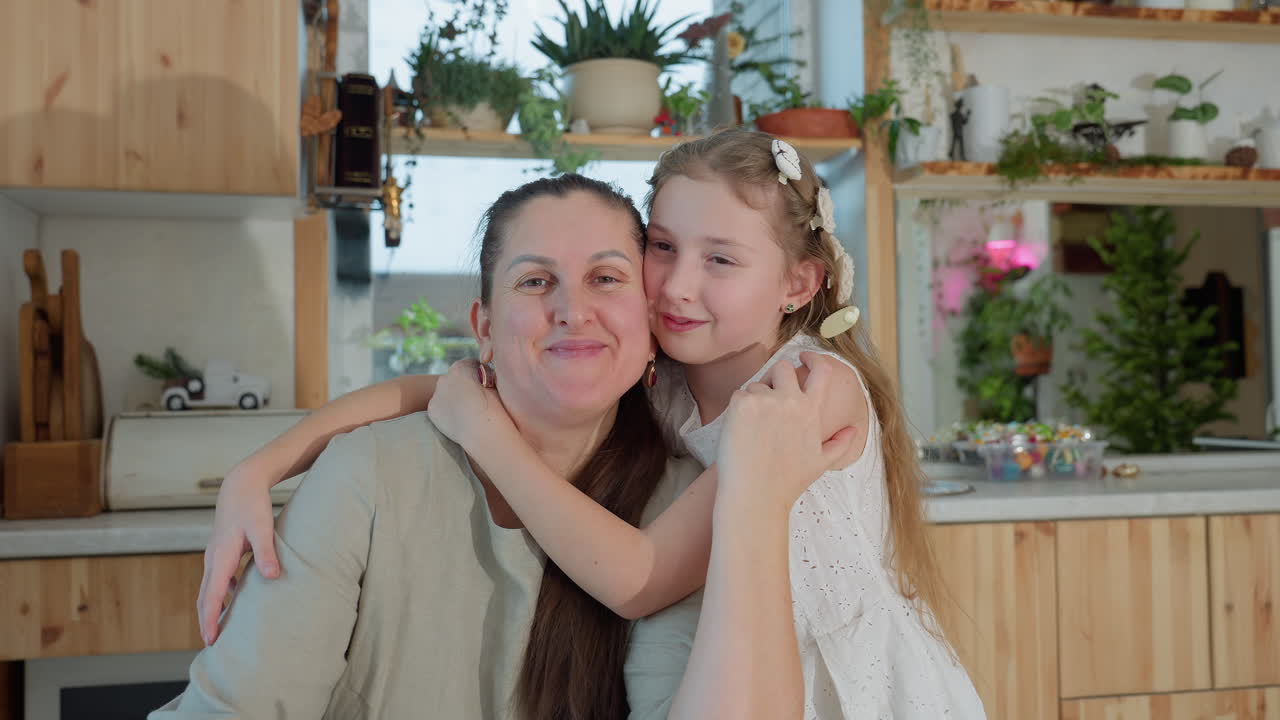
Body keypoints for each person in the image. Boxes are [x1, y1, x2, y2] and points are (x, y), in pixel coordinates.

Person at [201, 129, 985, 718]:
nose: (677, 285)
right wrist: (264, 464)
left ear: (798, 284)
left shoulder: (804, 390)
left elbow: (637, 578)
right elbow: (438, 388)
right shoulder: (670, 379)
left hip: (844, 686)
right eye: (665, 248)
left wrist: (487, 437)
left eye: (721, 260)